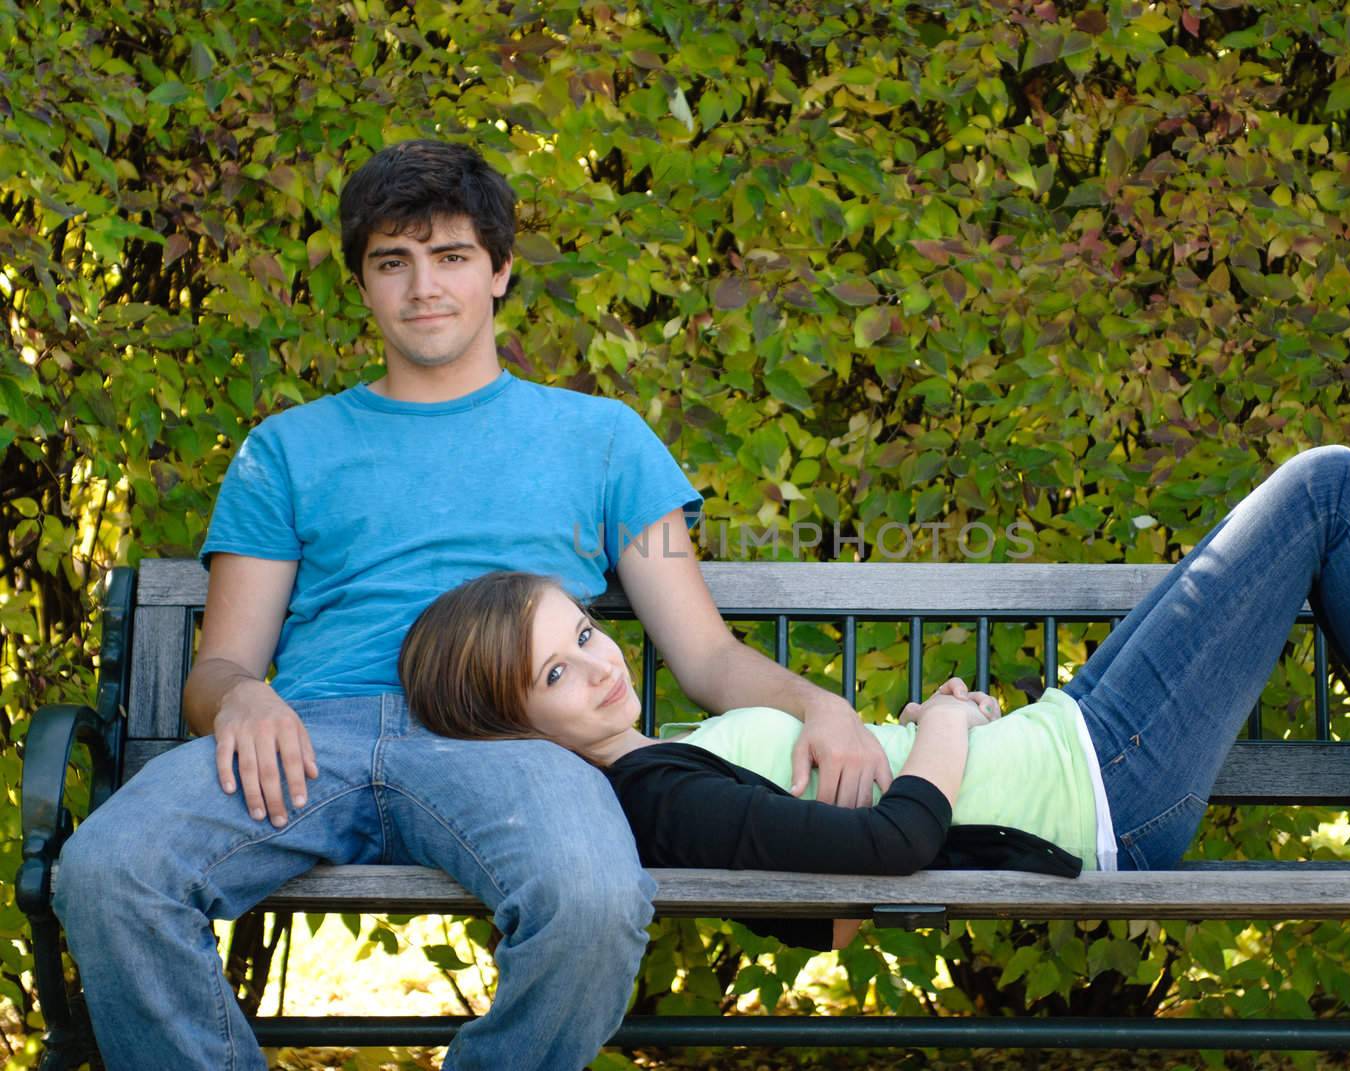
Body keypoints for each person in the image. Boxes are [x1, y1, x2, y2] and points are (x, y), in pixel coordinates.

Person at [51, 139, 891, 1071]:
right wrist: (240, 696)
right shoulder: (285, 449)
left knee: (593, 901)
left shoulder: (604, 440)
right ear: (363, 285)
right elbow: (219, 669)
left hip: (503, 738)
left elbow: (704, 654)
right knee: (105, 872)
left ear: (498, 271)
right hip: (308, 738)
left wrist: (820, 704)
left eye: (451, 256)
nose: (423, 287)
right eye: (392, 261)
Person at [398, 447, 1350, 952]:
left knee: (1304, 508)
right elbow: (894, 851)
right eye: (558, 674)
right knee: (1326, 487)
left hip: (1073, 740)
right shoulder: (651, 797)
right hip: (1105, 792)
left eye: (585, 634)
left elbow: (827, 914)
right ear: (515, 726)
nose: (602, 665)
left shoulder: (658, 773)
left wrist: (918, 744)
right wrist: (942, 731)